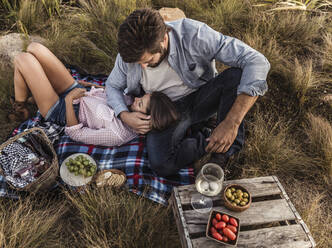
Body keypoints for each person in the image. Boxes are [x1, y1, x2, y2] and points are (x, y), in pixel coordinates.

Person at [105, 8, 271, 176]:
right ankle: (208, 134)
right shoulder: (130, 53)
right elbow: (112, 85)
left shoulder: (195, 35)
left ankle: (222, 153)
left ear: (163, 39)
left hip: (201, 97)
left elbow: (257, 61)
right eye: (138, 62)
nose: (142, 67)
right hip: (161, 109)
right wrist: (124, 115)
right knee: (161, 164)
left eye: (148, 61)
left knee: (236, 76)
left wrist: (231, 123)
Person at [8, 42, 179, 146]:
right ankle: (25, 101)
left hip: (61, 110)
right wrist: (88, 85)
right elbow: (108, 92)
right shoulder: (130, 103)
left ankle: (20, 107)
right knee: (34, 48)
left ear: (144, 120)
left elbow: (76, 133)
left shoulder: (116, 134)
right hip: (78, 91)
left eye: (140, 103)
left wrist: (68, 101)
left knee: (23, 59)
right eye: (143, 97)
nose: (137, 98)